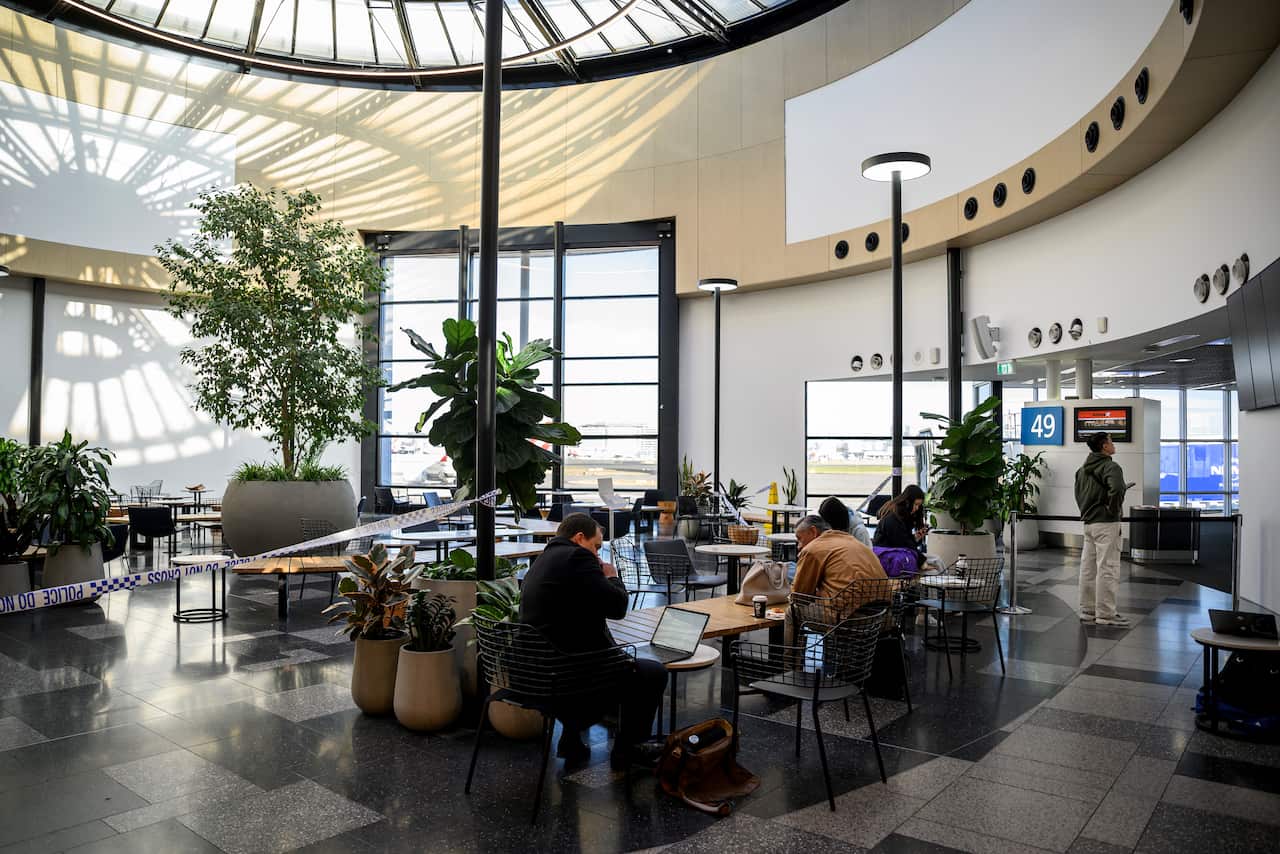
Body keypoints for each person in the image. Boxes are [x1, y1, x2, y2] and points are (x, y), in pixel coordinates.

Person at [519, 513, 667, 768]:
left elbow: (573, 611)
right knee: (652, 673)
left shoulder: (544, 559)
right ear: (579, 538)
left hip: (534, 671)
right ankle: (628, 750)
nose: (597, 554)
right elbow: (617, 607)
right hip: (566, 677)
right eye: (596, 546)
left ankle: (571, 740)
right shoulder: (578, 557)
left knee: (588, 648)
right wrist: (612, 576)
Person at [1074, 432, 1131, 627]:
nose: (1113, 444)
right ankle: (1106, 614)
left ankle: (1087, 610)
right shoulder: (1111, 466)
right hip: (1107, 524)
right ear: (1104, 446)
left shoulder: (1082, 470)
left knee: (1088, 568)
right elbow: (1117, 489)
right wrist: (1112, 510)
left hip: (1089, 523)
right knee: (1108, 567)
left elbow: (1079, 494)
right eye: (1111, 441)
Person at [791, 514, 887, 601]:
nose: (799, 546)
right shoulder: (850, 539)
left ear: (813, 531)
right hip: (883, 605)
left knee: (792, 610)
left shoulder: (812, 549)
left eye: (799, 538)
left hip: (848, 609)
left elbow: (799, 595)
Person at [873, 484, 943, 572]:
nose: (917, 508)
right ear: (907, 502)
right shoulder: (892, 519)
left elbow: (903, 542)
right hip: (891, 560)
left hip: (896, 557)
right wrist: (922, 562)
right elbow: (904, 544)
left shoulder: (899, 516)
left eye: (919, 505)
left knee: (937, 561)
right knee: (935, 565)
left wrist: (915, 538)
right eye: (916, 504)